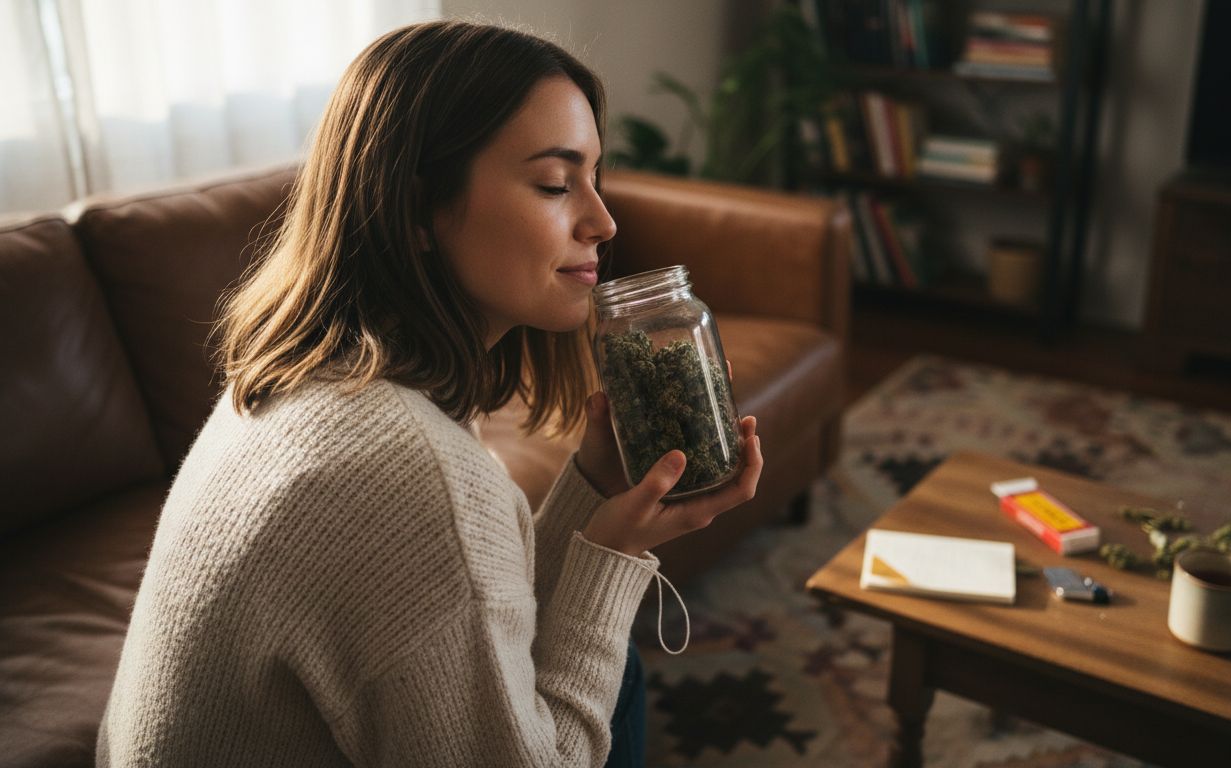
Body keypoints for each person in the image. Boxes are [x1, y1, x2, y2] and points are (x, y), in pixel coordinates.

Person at [96, 20, 763, 768]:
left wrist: (595, 488)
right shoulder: (407, 469)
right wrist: (612, 555)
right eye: (554, 183)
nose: (603, 222)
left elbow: (476, 609)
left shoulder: (318, 376)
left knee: (619, 673)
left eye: (594, 178)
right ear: (417, 209)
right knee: (612, 674)